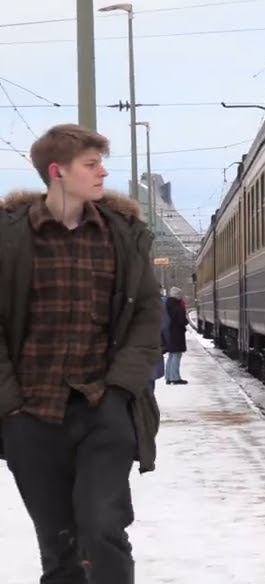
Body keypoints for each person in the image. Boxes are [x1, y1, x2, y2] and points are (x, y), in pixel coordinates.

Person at [0, 123, 162, 584]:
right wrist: (10, 403)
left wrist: (120, 391)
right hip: (31, 414)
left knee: (102, 527)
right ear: (58, 171)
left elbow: (147, 317)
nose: (103, 173)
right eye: (91, 165)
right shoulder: (10, 239)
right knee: (59, 543)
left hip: (102, 409)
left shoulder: (121, 235)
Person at [162, 287, 189, 385]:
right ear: (177, 295)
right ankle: (175, 378)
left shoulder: (168, 303)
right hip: (176, 333)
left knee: (172, 355)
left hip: (170, 333)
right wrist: (185, 322)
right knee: (176, 355)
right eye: (180, 295)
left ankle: (169, 377)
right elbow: (180, 319)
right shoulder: (175, 305)